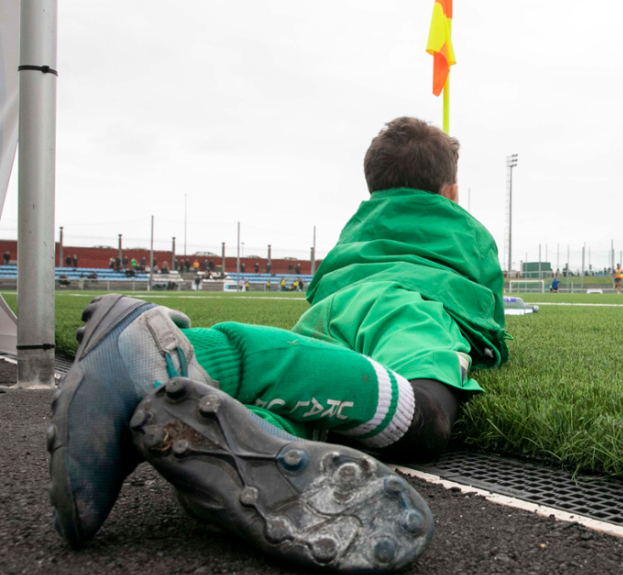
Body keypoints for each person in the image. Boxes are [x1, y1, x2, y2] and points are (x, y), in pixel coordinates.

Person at [48, 118, 508, 571]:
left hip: (330, 312)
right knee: (425, 416)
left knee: (306, 416)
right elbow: (482, 294)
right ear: (450, 195)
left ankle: (222, 445)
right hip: (409, 307)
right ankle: (189, 352)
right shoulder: (459, 232)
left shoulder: (360, 234)